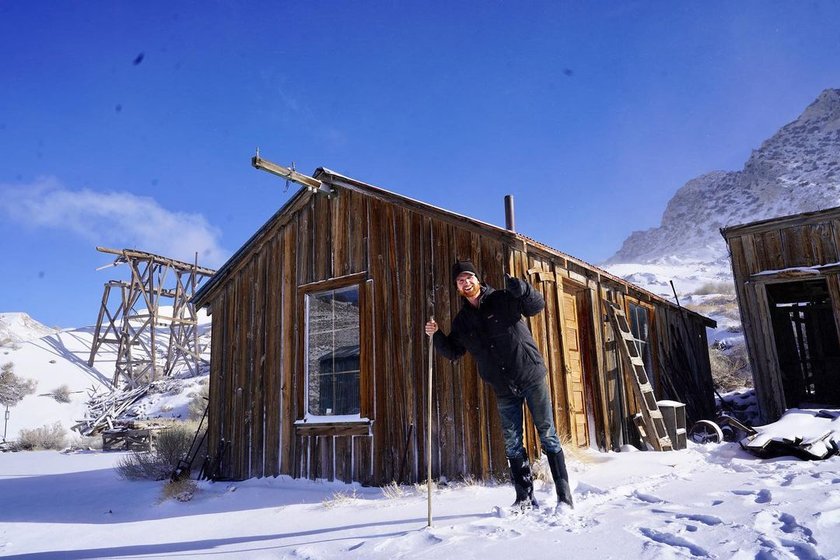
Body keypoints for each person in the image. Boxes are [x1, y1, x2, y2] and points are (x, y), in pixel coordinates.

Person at [425, 260, 574, 511]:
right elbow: (453, 352)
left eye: (469, 277)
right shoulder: (462, 321)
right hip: (503, 387)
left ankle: (564, 497)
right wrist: (436, 334)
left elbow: (536, 306)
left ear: (477, 279)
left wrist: (523, 289)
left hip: (529, 374)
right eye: (460, 280)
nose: (466, 282)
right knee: (512, 442)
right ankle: (524, 498)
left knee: (547, 434)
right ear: (457, 287)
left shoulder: (503, 298)